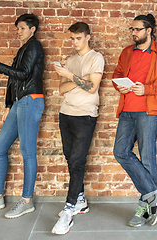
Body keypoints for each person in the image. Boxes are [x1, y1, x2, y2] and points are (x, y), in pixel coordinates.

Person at [0, 14, 45, 219]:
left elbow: (23, 74)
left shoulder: (34, 46)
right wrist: (8, 105)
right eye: (18, 28)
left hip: (31, 100)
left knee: (27, 151)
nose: (19, 31)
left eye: (22, 28)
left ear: (33, 30)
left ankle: (27, 201)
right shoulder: (23, 49)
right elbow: (14, 80)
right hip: (19, 102)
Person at [112, 14, 157, 227]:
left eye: (137, 29)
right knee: (120, 151)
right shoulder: (126, 52)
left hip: (149, 111)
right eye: (132, 29)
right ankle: (154, 194)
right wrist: (119, 86)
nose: (133, 33)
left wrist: (146, 89)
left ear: (149, 30)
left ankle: (145, 207)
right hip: (127, 110)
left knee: (147, 157)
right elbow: (117, 74)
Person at [51, 22, 104, 234]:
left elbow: (92, 88)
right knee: (70, 158)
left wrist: (71, 76)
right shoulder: (70, 60)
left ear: (87, 37)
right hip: (66, 113)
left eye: (78, 38)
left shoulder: (96, 58)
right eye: (72, 38)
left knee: (78, 160)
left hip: (85, 115)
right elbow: (61, 88)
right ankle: (80, 199)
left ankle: (69, 208)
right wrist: (77, 78)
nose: (74, 42)